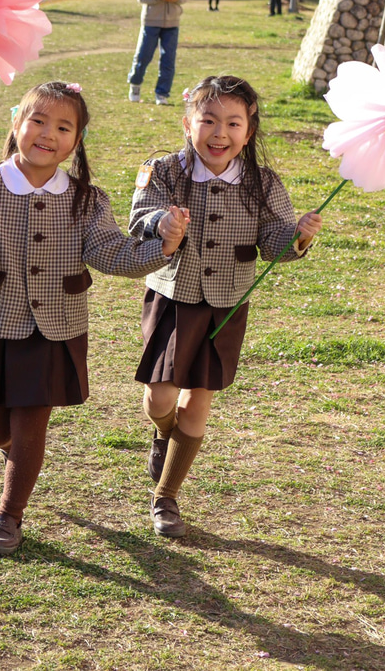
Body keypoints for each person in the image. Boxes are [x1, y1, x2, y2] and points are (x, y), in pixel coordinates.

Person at [0, 81, 187, 556]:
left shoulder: (87, 199)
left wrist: (164, 246)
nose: (47, 134)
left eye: (63, 126)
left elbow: (111, 252)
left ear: (77, 141)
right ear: (16, 124)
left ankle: (8, 517)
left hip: (56, 328)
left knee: (32, 423)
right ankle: (16, 456)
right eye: (37, 121)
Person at [129, 75, 323, 538]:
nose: (220, 133)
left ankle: (166, 498)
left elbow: (274, 241)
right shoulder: (163, 171)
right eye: (209, 120)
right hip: (174, 296)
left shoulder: (262, 183)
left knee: (199, 398)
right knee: (160, 397)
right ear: (187, 123)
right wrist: (162, 223)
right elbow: (139, 219)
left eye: (233, 123)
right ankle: (161, 433)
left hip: (227, 305)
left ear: (248, 132)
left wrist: (297, 235)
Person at [127, 0, 190, 106]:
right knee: (143, 56)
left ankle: (162, 94)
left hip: (172, 21)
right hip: (151, 21)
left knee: (168, 60)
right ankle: (135, 84)